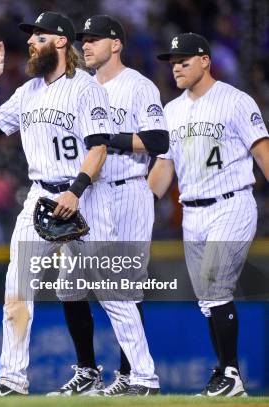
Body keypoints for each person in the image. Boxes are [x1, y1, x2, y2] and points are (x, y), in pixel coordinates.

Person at [0, 11, 154, 397]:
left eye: (38, 37)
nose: (30, 43)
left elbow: (99, 147)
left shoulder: (86, 88)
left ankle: (144, 377)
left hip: (86, 196)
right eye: (30, 38)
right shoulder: (28, 92)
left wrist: (76, 190)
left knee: (111, 290)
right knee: (17, 283)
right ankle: (12, 379)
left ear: (60, 42)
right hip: (41, 195)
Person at [149, 32, 269, 397]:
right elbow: (162, 170)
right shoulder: (171, 111)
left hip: (231, 202)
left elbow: (263, 152)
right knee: (208, 300)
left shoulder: (235, 101)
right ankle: (225, 374)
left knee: (215, 285)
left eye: (184, 61)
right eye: (173, 63)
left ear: (205, 61)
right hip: (192, 211)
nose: (177, 68)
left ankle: (230, 373)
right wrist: (137, 204)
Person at [62, 14, 167, 396]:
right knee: (69, 284)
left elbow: (158, 140)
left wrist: (108, 139)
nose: (85, 45)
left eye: (94, 39)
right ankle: (88, 372)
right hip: (89, 192)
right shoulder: (78, 87)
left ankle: (130, 376)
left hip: (128, 189)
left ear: (116, 44)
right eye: (82, 39)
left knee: (126, 288)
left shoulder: (138, 86)